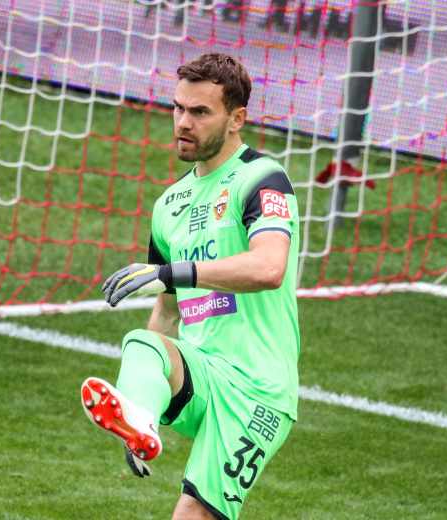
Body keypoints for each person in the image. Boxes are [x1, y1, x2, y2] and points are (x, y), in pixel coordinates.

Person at [81, 52, 300, 520]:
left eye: (200, 112)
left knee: (192, 515)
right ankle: (139, 421)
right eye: (178, 108)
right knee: (142, 342)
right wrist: (138, 410)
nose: (183, 122)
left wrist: (173, 272)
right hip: (203, 374)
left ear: (236, 119)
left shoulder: (262, 178)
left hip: (258, 390)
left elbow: (269, 267)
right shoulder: (169, 205)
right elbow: (167, 312)